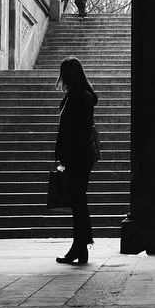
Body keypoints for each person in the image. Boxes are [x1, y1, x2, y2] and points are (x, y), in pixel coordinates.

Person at [54, 56, 98, 264]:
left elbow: (71, 130)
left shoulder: (78, 96)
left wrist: (64, 155)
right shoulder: (83, 95)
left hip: (77, 155)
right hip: (82, 154)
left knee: (78, 201)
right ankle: (80, 247)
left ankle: (80, 246)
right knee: (78, 200)